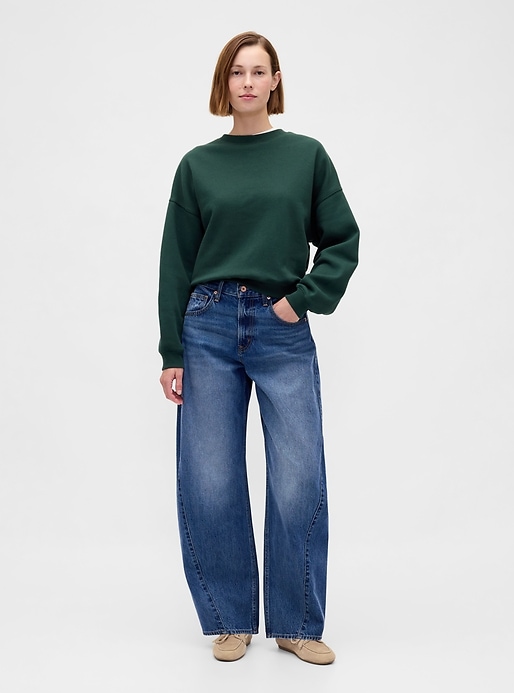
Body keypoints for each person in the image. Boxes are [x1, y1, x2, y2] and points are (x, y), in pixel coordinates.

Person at [158, 31, 359, 665]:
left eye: (258, 71)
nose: (247, 82)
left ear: (275, 81)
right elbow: (176, 262)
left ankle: (297, 623)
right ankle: (230, 619)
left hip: (281, 325)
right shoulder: (197, 165)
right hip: (208, 325)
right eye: (237, 72)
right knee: (210, 476)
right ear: (225, 83)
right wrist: (172, 350)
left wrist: (302, 300)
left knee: (299, 474)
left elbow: (343, 239)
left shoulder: (306, 156)